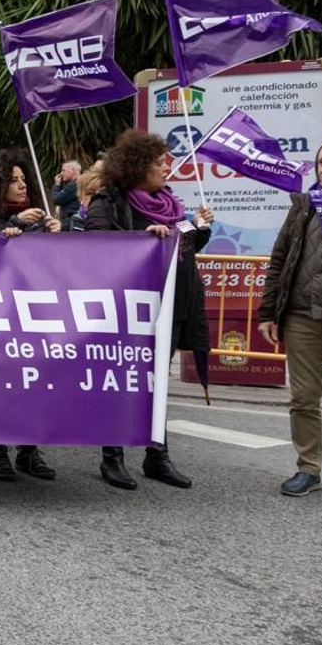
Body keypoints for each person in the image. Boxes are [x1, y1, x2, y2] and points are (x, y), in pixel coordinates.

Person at [85, 128, 208, 491]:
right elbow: (94, 248)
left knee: (157, 385)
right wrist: (140, 239)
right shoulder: (108, 203)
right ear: (137, 167)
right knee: (121, 382)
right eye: (158, 162)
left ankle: (157, 456)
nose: (165, 167)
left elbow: (185, 249)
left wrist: (199, 230)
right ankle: (113, 457)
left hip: (171, 306)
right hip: (128, 311)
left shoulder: (172, 204)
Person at [257, 136, 322, 496]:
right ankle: (309, 469)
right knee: (303, 398)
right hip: (302, 315)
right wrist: (269, 312)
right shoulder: (304, 205)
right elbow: (280, 259)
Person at [0, 149, 61, 483]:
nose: (21, 186)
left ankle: (29, 449)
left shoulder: (42, 218)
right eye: (13, 181)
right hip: (0, 312)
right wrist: (12, 226)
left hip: (37, 312)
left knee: (37, 383)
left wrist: (59, 235)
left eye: (24, 179)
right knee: (3, 382)